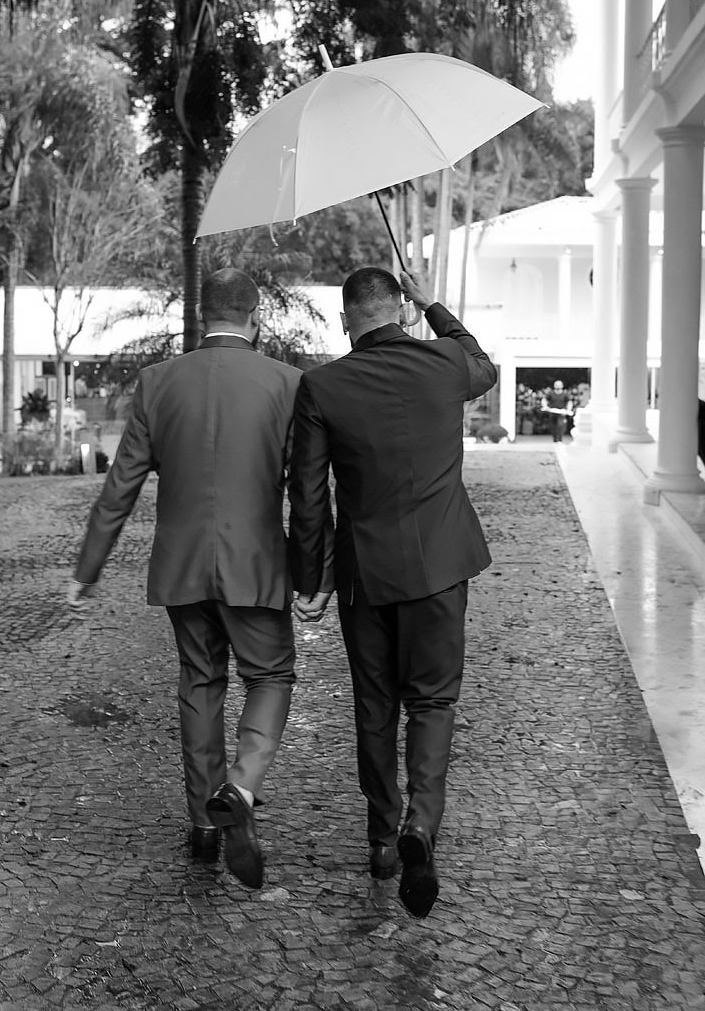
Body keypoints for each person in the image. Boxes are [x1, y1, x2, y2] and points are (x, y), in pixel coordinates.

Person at [67, 268, 331, 890]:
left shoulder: (158, 383)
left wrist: (87, 569)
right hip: (256, 564)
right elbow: (308, 489)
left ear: (201, 317)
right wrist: (311, 568)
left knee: (200, 682)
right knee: (270, 675)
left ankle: (204, 826)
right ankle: (239, 787)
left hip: (182, 566)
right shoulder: (289, 384)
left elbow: (121, 485)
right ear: (256, 318)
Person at [288, 267, 496, 919]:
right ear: (399, 309)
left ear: (345, 317)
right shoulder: (444, 363)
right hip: (440, 567)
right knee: (432, 700)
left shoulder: (322, 386)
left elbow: (309, 495)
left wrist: (311, 578)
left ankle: (382, 839)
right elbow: (484, 364)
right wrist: (435, 304)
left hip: (366, 577)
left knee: (375, 706)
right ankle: (420, 826)